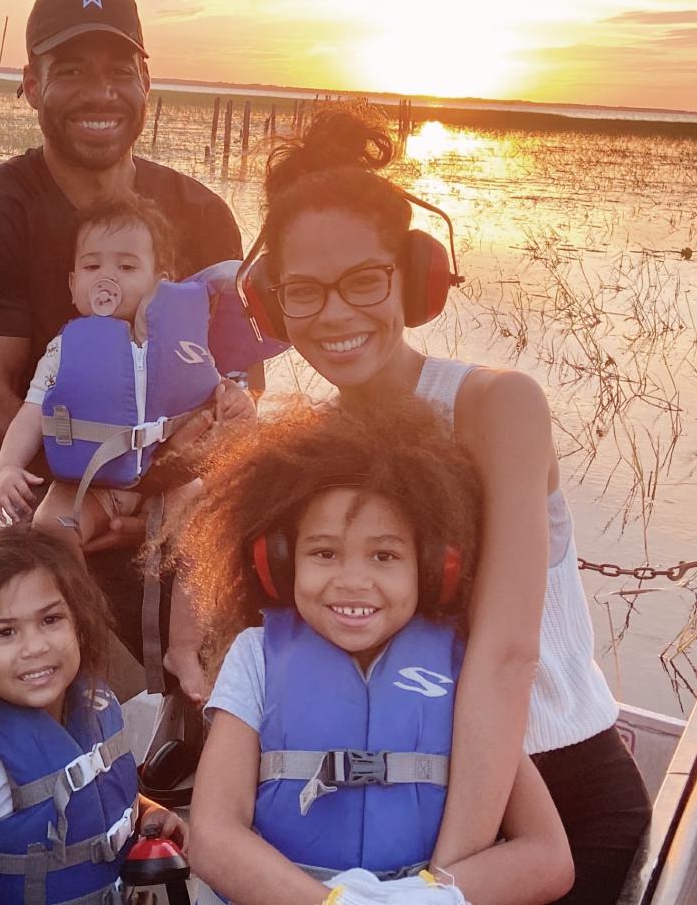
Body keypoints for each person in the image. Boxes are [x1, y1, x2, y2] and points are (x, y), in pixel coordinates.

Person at [239, 107, 651, 904]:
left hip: (550, 795)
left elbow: (505, 655)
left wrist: (443, 881)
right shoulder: (309, 450)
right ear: (270, 304)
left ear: (415, 277)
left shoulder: (499, 407)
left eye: (365, 280)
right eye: (303, 291)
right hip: (396, 802)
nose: (335, 313)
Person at [0, 0, 246, 661]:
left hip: (184, 512)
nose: (99, 93)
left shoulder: (202, 216)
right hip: (68, 513)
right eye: (69, 71)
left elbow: (235, 388)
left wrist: (159, 496)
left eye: (118, 70)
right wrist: (106, 490)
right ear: (32, 82)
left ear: (145, 79)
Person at [178, 398, 573, 905]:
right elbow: (213, 838)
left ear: (434, 569)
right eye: (323, 553)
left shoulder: (464, 671)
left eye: (384, 556)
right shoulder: (256, 657)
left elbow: (547, 856)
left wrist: (429, 896)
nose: (352, 582)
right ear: (277, 561)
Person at [0, 196, 255, 702]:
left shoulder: (185, 341)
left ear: (163, 282)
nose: (105, 278)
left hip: (170, 480)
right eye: (91, 266)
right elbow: (31, 414)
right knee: (50, 530)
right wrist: (7, 467)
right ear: (73, 285)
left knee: (203, 532)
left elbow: (222, 391)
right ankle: (82, 633)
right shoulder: (65, 348)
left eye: (127, 266)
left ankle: (184, 647)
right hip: (92, 482)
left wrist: (237, 401)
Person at [0, 524, 187, 905]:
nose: (34, 647)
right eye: (5, 632)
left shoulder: (99, 702)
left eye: (51, 620)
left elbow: (107, 798)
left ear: (79, 624)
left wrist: (151, 813)